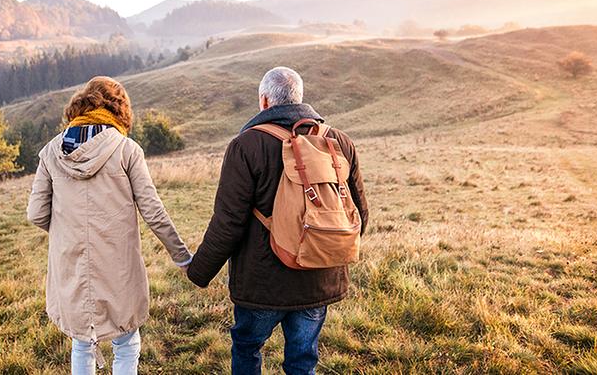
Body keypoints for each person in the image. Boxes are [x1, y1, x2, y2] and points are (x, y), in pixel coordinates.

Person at [186, 66, 369, 375]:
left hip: (262, 284)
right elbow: (359, 215)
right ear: (299, 98)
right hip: (318, 277)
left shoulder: (245, 146)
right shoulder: (340, 142)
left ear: (265, 101)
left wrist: (199, 272)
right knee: (302, 359)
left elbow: (228, 222)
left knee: (247, 347)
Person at [26, 76, 193, 375]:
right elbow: (153, 211)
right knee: (126, 342)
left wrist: (69, 231)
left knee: (82, 343)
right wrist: (182, 256)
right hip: (118, 265)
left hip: (72, 263)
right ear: (120, 109)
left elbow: (36, 213)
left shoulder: (51, 151)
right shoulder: (127, 150)